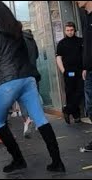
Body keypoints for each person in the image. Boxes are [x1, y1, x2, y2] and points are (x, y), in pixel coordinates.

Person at [0, 1, 65, 173]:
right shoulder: (17, 29)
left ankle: (18, 160)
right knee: (41, 119)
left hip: (6, 81)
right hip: (27, 79)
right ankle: (57, 162)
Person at [56, 22, 84, 124]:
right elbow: (58, 58)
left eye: (71, 30)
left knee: (80, 92)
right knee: (70, 93)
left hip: (80, 71)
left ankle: (67, 110)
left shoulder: (81, 41)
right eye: (67, 30)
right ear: (65, 31)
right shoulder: (61, 43)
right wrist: (63, 70)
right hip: (68, 72)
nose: (70, 32)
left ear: (75, 30)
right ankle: (76, 116)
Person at [76, 1, 92, 151]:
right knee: (90, 107)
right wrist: (85, 66)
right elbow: (87, 44)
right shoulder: (84, 15)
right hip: (88, 69)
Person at [20, 29, 41, 138]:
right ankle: (38, 121)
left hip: (22, 75)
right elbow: (36, 55)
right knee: (35, 97)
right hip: (34, 73)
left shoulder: (18, 40)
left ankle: (27, 119)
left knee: (23, 99)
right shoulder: (32, 41)